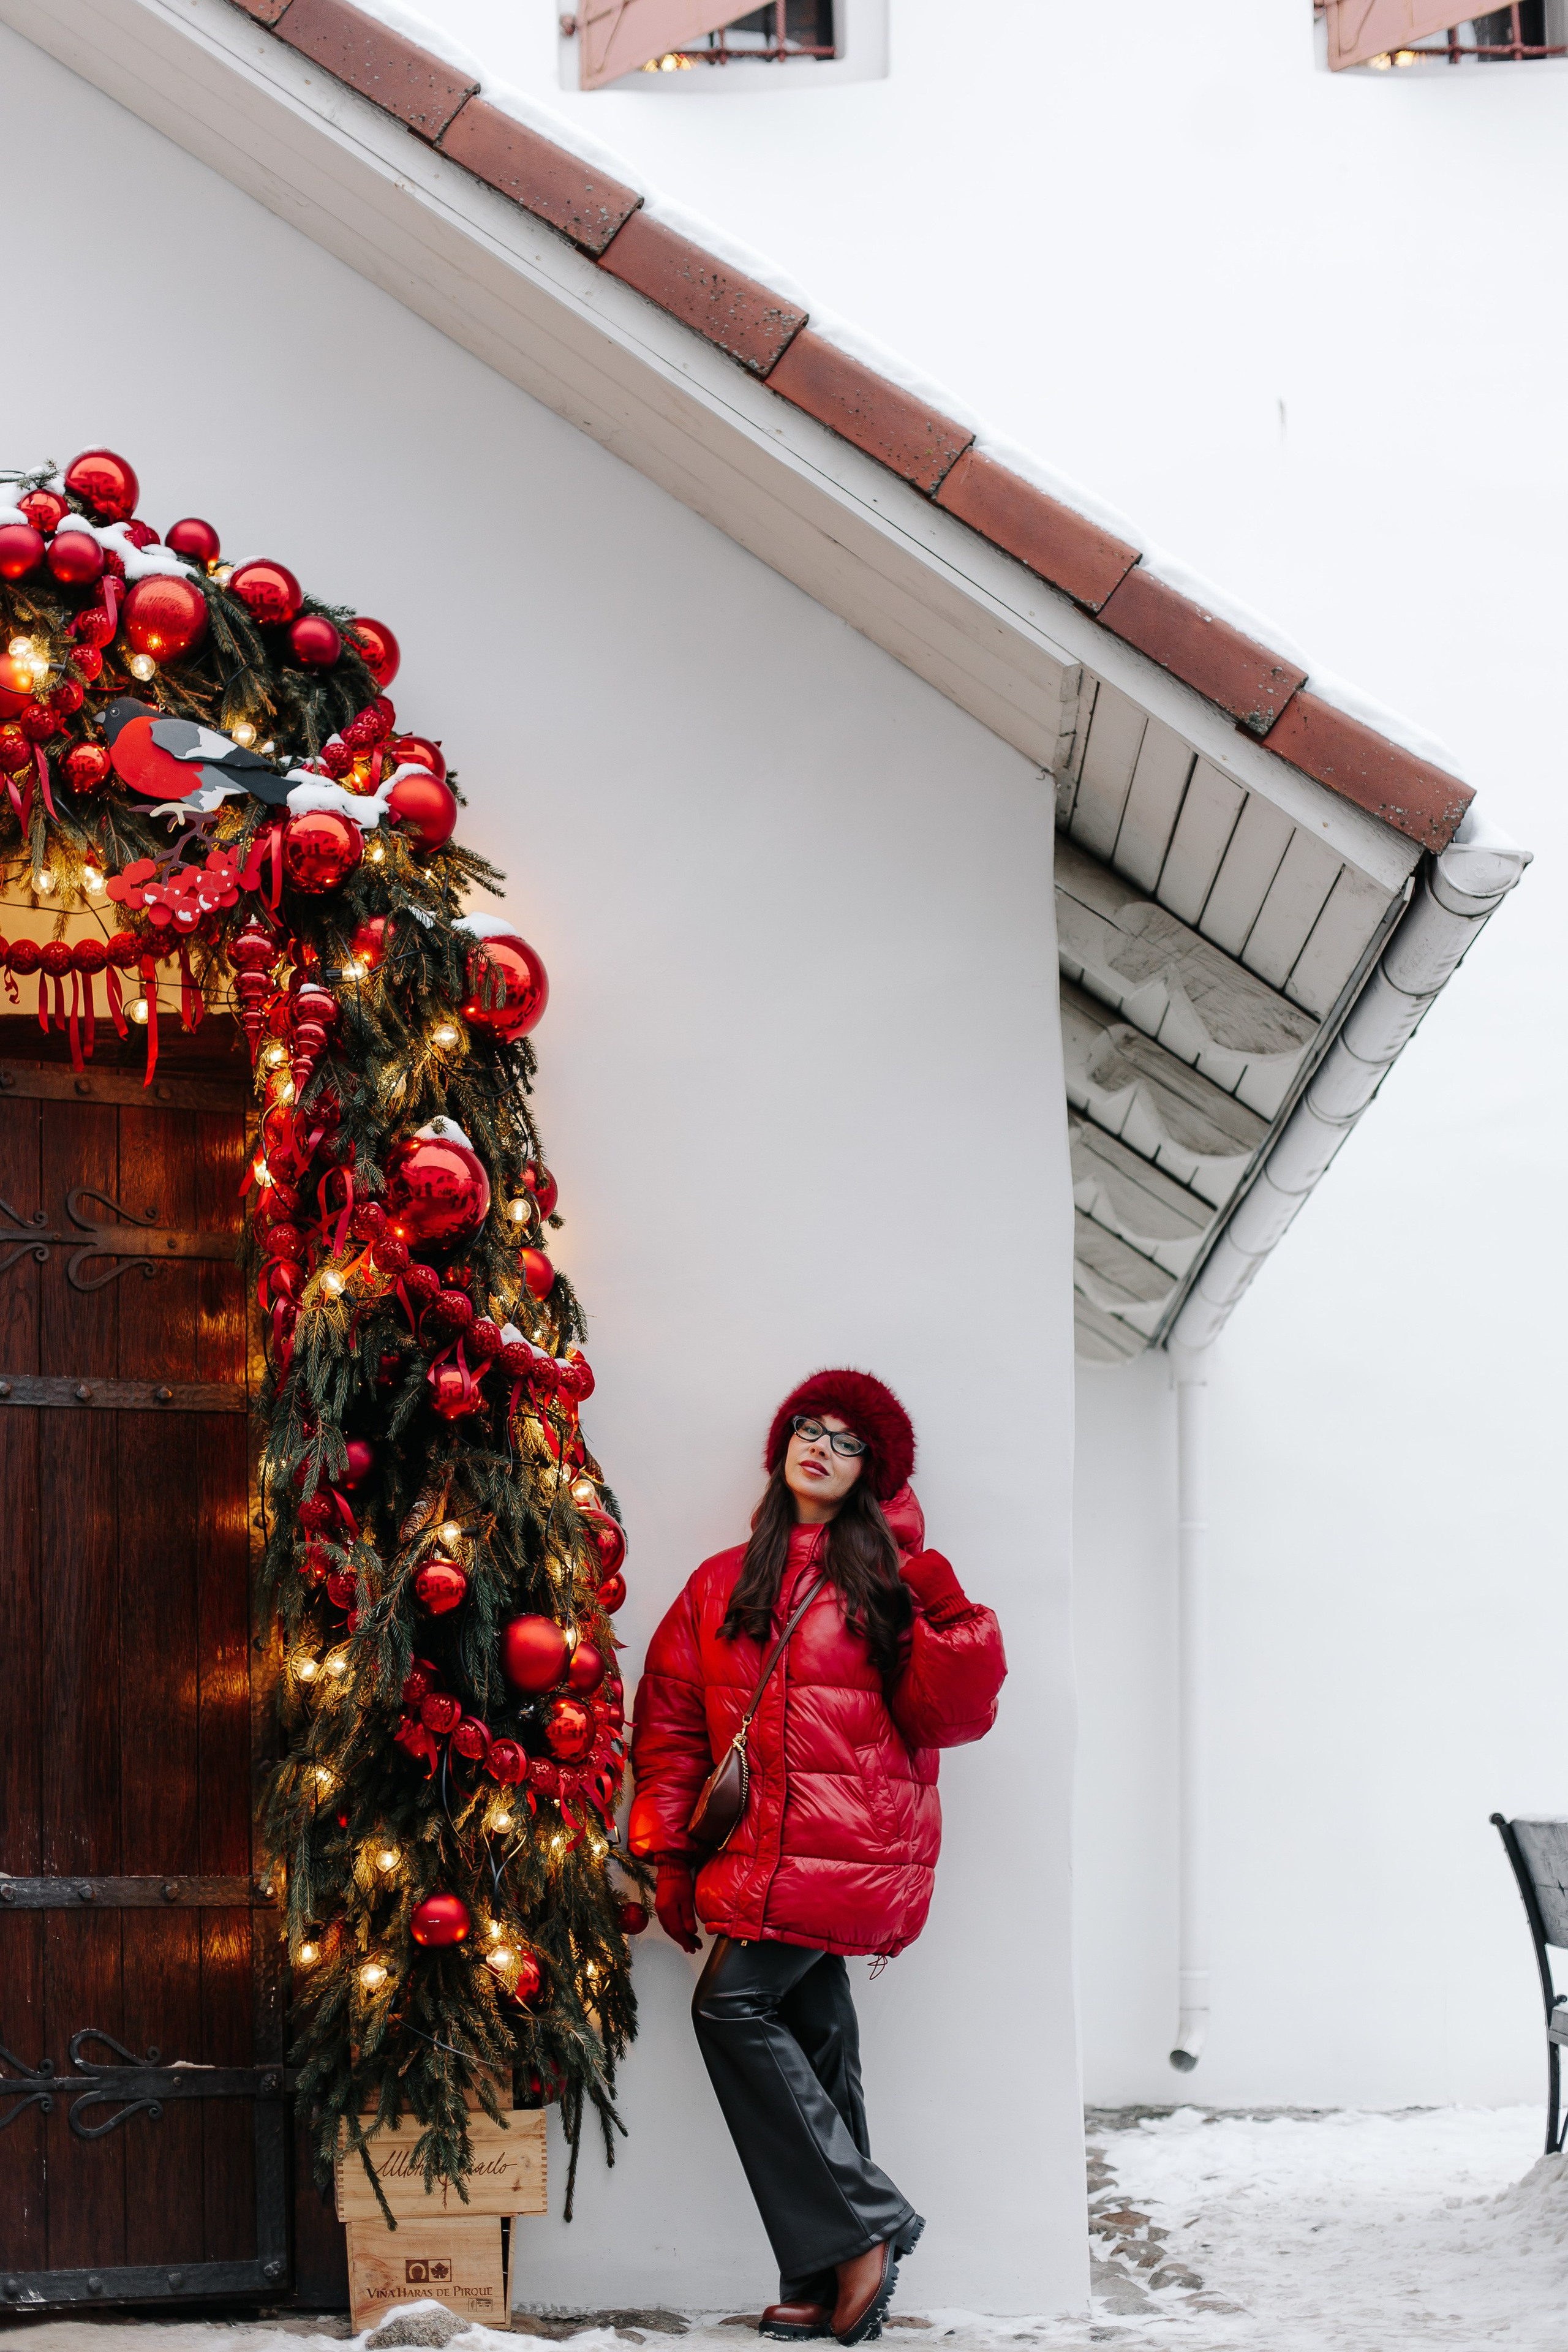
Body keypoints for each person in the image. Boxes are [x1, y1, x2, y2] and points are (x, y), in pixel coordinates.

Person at [628, 1368, 1006, 2346]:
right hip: (758, 1851)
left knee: (729, 2006)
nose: (822, 1447)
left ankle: (867, 2223)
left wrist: (946, 1606)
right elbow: (670, 1726)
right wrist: (672, 1856)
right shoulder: (720, 1581)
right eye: (809, 1428)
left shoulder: (892, 1577)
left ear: (870, 1471)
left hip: (854, 1852)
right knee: (820, 2031)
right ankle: (824, 2267)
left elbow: (953, 1716)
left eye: (846, 1441)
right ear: (782, 1444)